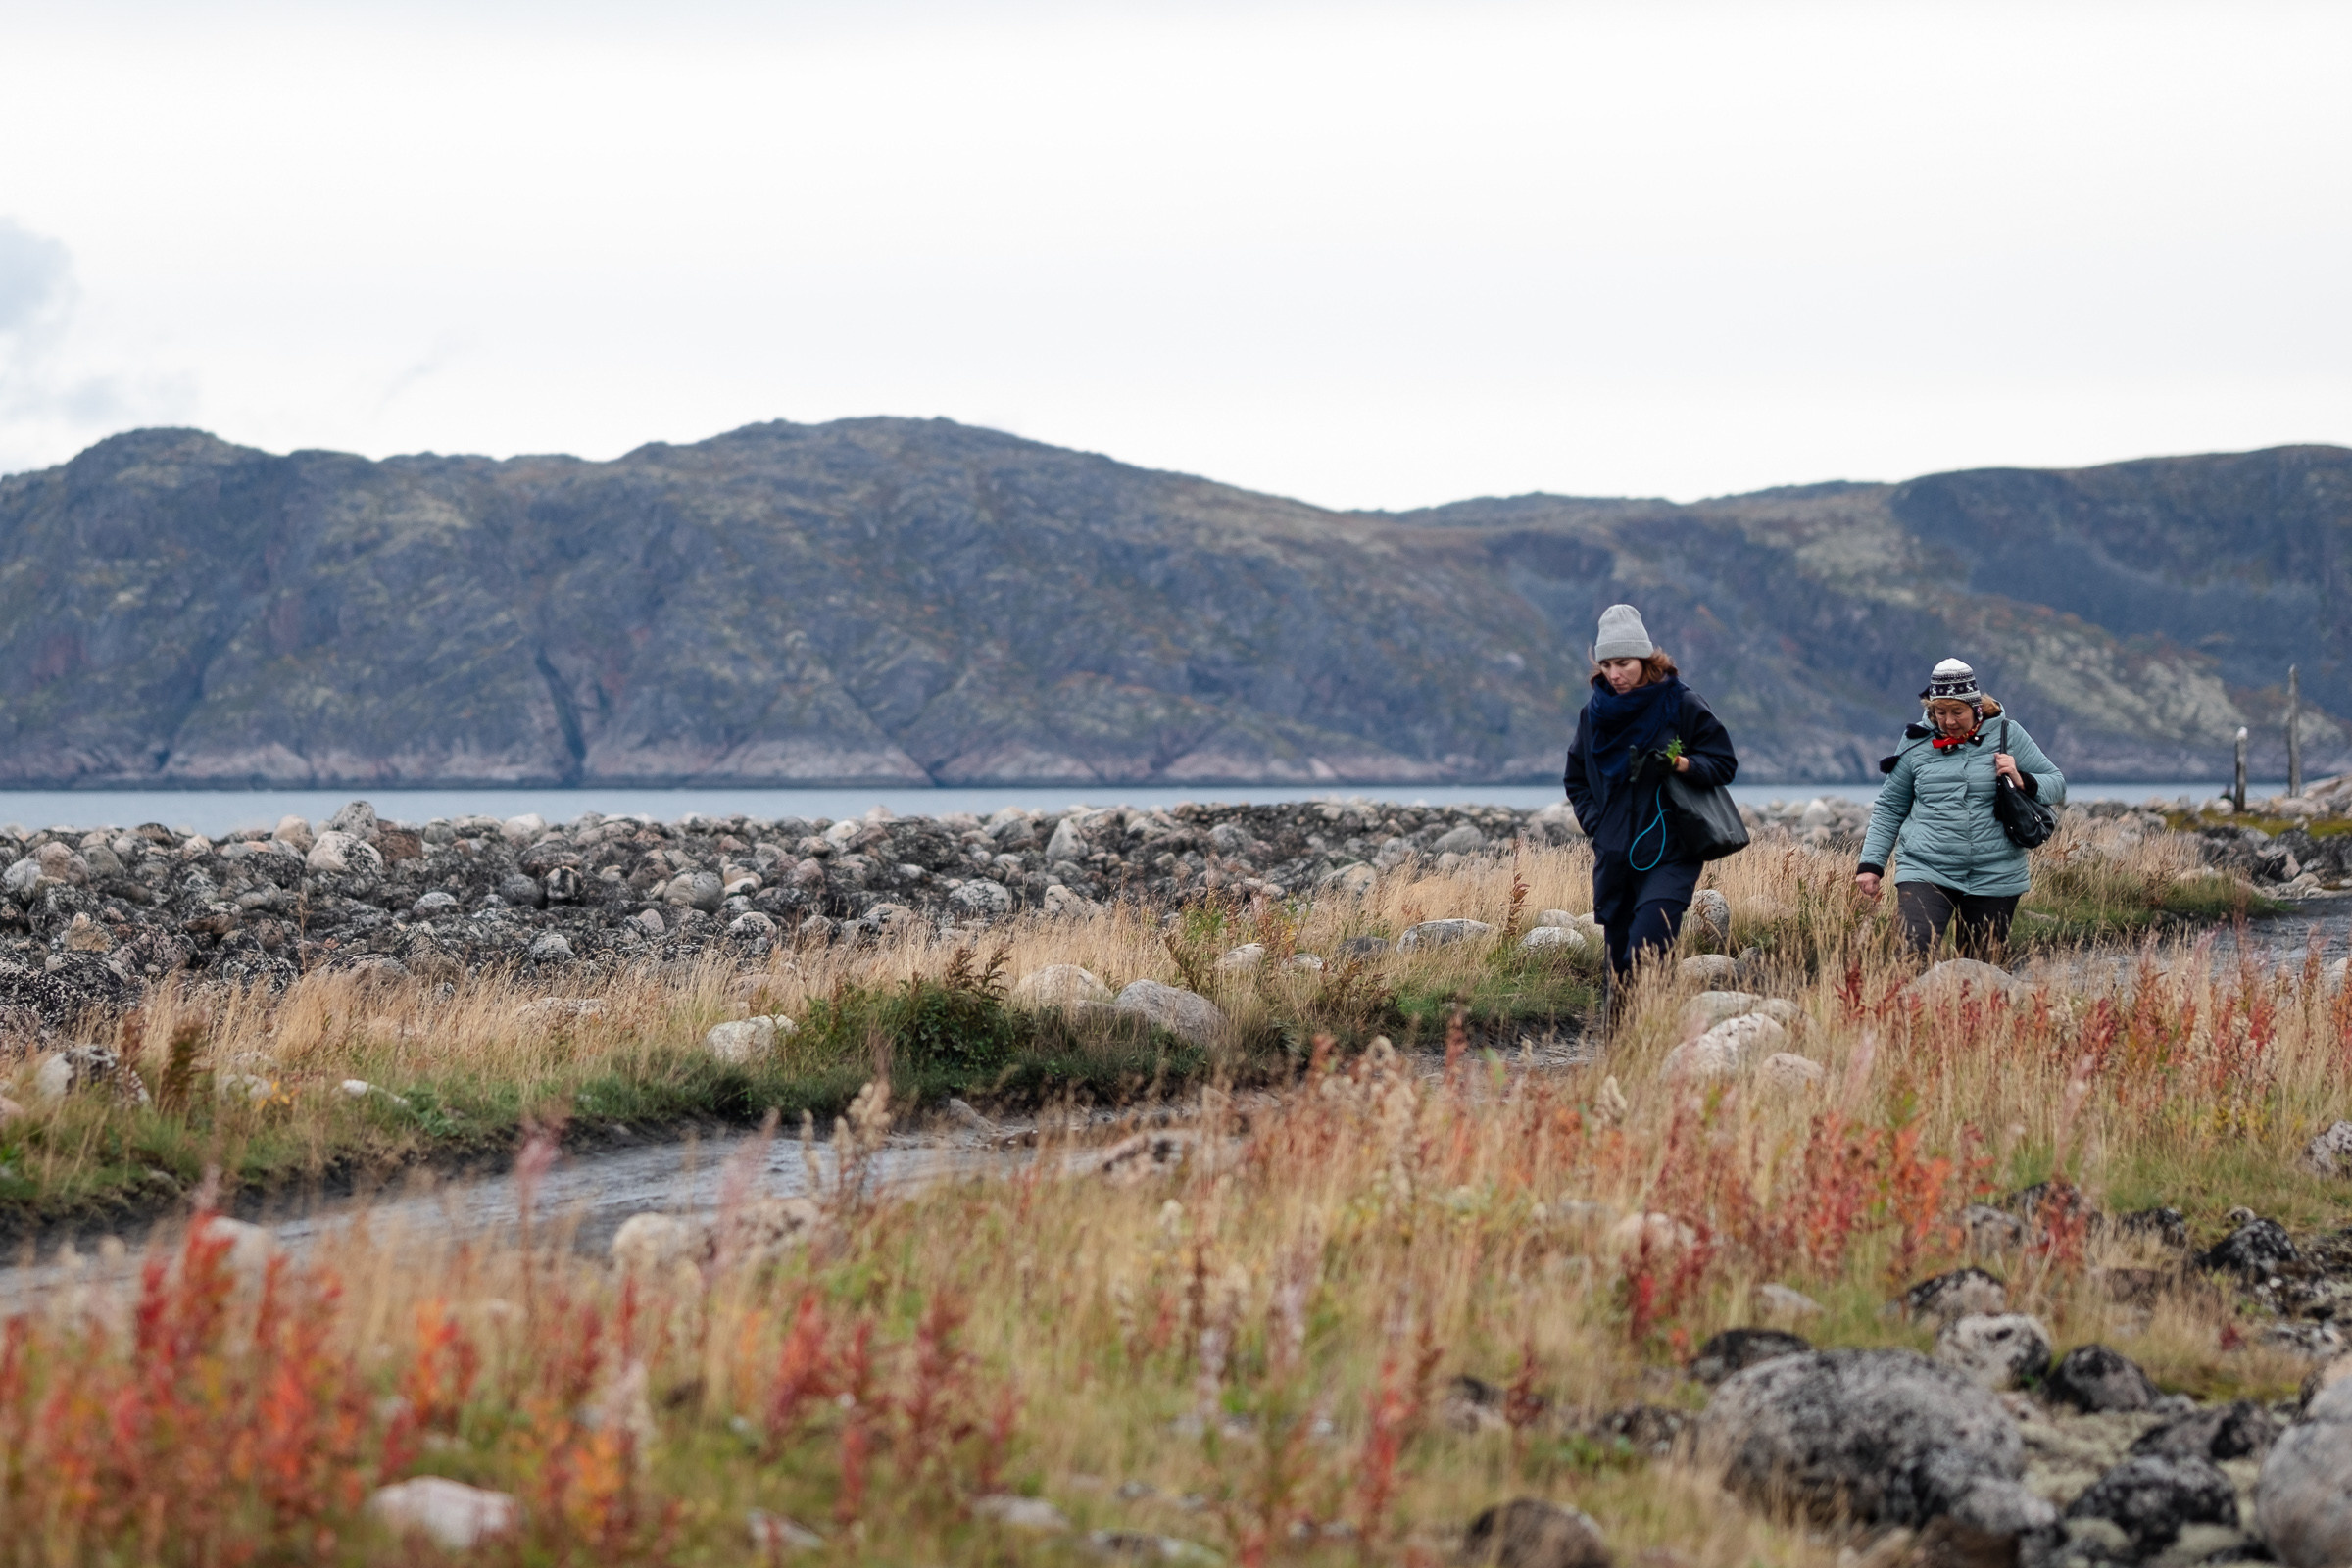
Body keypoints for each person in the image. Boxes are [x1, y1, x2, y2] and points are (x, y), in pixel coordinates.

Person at [1563, 604, 1740, 982]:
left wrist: (1683, 765)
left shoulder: (1681, 703)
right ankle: (1628, 1041)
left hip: (1672, 852)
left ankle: (1653, 1033)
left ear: (1645, 658)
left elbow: (1724, 763)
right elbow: (1575, 779)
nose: (1614, 674)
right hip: (1615, 857)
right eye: (1606, 665)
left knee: (1646, 952)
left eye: (1623, 663)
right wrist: (1598, 825)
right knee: (1619, 970)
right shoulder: (1593, 714)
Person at [1854, 658, 2066, 956]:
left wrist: (2022, 778)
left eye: (1958, 712)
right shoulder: (1916, 741)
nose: (1949, 721)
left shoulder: (2008, 734)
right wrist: (1871, 865)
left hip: (1996, 873)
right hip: (1925, 867)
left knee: (1982, 972)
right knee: (1911, 956)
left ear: (1976, 707)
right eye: (1940, 712)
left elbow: (2057, 784)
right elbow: (1890, 806)